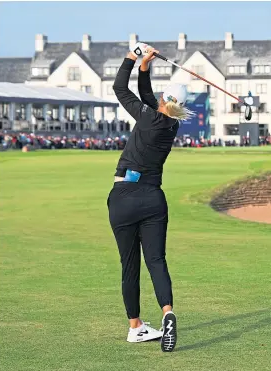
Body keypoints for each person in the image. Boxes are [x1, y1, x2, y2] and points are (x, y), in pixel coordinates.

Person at [107, 42, 194, 352]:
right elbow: (145, 96)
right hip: (153, 199)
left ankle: (135, 327)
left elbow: (120, 88)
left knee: (129, 265)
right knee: (156, 260)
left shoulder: (147, 116)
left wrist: (133, 56)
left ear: (163, 99)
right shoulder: (170, 123)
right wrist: (146, 65)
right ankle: (167, 312)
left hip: (124, 197)